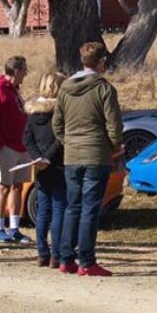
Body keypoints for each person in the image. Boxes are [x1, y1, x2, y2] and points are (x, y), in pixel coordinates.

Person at [53, 42, 124, 277]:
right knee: (90, 208)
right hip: (96, 154)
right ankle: (86, 260)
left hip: (72, 155)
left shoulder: (64, 88)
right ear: (101, 62)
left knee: (72, 206)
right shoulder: (104, 88)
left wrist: (69, 142)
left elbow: (57, 125)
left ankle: (65, 258)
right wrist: (114, 146)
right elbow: (114, 125)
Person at [0, 56, 32, 243]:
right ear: (17, 71)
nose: (26, 74)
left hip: (21, 145)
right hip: (6, 146)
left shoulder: (14, 90)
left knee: (18, 186)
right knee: (4, 186)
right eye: (24, 70)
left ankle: (15, 228)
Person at [23, 71, 67, 268]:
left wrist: (36, 157)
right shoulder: (59, 112)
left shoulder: (33, 113)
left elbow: (27, 138)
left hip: (40, 166)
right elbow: (60, 138)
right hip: (57, 164)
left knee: (42, 211)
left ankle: (42, 252)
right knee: (58, 209)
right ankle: (56, 253)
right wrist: (48, 158)